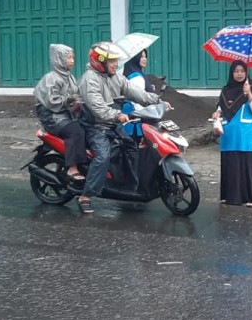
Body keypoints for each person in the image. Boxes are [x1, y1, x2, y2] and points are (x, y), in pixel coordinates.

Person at [76, 42, 164, 214]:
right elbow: (98, 108)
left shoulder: (115, 77)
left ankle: (130, 186)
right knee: (103, 156)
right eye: (111, 61)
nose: (116, 64)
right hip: (95, 126)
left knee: (131, 147)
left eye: (116, 61)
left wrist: (157, 100)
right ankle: (86, 196)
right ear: (99, 62)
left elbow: (135, 92)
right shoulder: (89, 80)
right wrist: (117, 115)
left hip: (112, 124)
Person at [211, 61, 252, 207]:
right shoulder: (226, 90)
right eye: (236, 71)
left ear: (246, 73)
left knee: (246, 165)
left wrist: (250, 94)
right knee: (230, 164)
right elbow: (221, 107)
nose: (239, 74)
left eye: (242, 71)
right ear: (231, 73)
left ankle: (249, 198)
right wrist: (217, 112)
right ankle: (230, 197)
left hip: (245, 134)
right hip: (228, 133)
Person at [33, 44, 88, 182]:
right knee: (76, 132)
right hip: (52, 117)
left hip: (65, 114)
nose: (72, 61)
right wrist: (71, 99)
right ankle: (72, 168)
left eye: (72, 58)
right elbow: (52, 102)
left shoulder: (70, 78)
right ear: (59, 59)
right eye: (68, 58)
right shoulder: (51, 78)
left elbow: (77, 94)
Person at [122, 49, 155, 136]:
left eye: (145, 57)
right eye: (141, 57)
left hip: (131, 113)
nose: (145, 59)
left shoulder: (133, 71)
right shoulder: (136, 77)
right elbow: (139, 97)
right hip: (135, 114)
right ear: (135, 58)